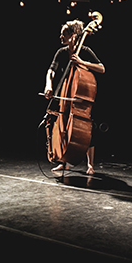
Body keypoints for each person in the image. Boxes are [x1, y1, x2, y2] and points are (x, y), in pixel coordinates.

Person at [44, 19, 105, 175]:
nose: (60, 37)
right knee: (62, 127)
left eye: (63, 34)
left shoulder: (85, 50)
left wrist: (83, 62)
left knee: (88, 131)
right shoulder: (61, 52)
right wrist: (49, 85)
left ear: (72, 35)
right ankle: (63, 161)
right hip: (65, 96)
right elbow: (51, 70)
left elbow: (101, 68)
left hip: (81, 99)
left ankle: (90, 164)